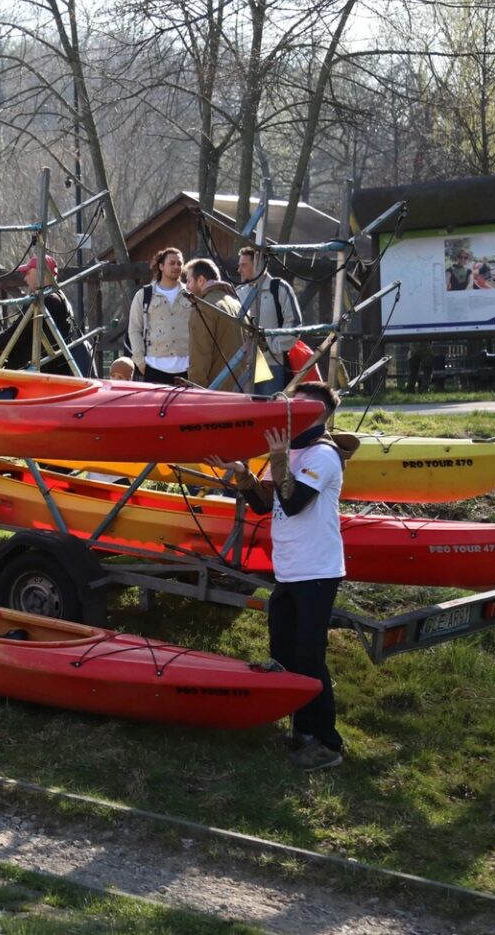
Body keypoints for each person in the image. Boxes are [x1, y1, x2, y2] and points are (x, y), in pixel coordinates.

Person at [209, 381, 346, 771]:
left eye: (300, 408)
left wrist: (279, 456)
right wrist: (243, 474)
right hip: (289, 571)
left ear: (318, 416)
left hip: (317, 571)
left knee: (309, 658)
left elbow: (295, 501)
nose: (290, 412)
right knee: (285, 654)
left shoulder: (323, 455)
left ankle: (328, 744)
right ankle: (303, 731)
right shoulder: (289, 453)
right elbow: (264, 505)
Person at [0, 252, 83, 375]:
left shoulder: (44, 301)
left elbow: (12, 337)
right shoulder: (60, 297)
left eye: (28, 273)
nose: (25, 279)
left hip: (39, 371)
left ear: (40, 273)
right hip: (56, 367)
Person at [236, 246, 302, 396]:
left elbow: (294, 325)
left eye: (244, 265)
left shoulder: (279, 288)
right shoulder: (238, 292)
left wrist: (272, 347)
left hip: (271, 364)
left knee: (270, 406)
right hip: (243, 365)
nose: (239, 270)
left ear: (258, 265)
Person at [127, 247, 191, 384]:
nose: (176, 267)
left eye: (179, 263)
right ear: (161, 266)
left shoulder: (191, 294)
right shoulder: (144, 295)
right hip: (154, 368)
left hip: (188, 369)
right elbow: (134, 329)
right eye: (172, 263)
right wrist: (139, 361)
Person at [185, 257, 244, 391]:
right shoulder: (236, 303)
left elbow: (200, 356)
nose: (186, 287)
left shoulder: (203, 307)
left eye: (188, 281)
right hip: (241, 388)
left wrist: (195, 391)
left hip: (216, 391)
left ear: (200, 280)